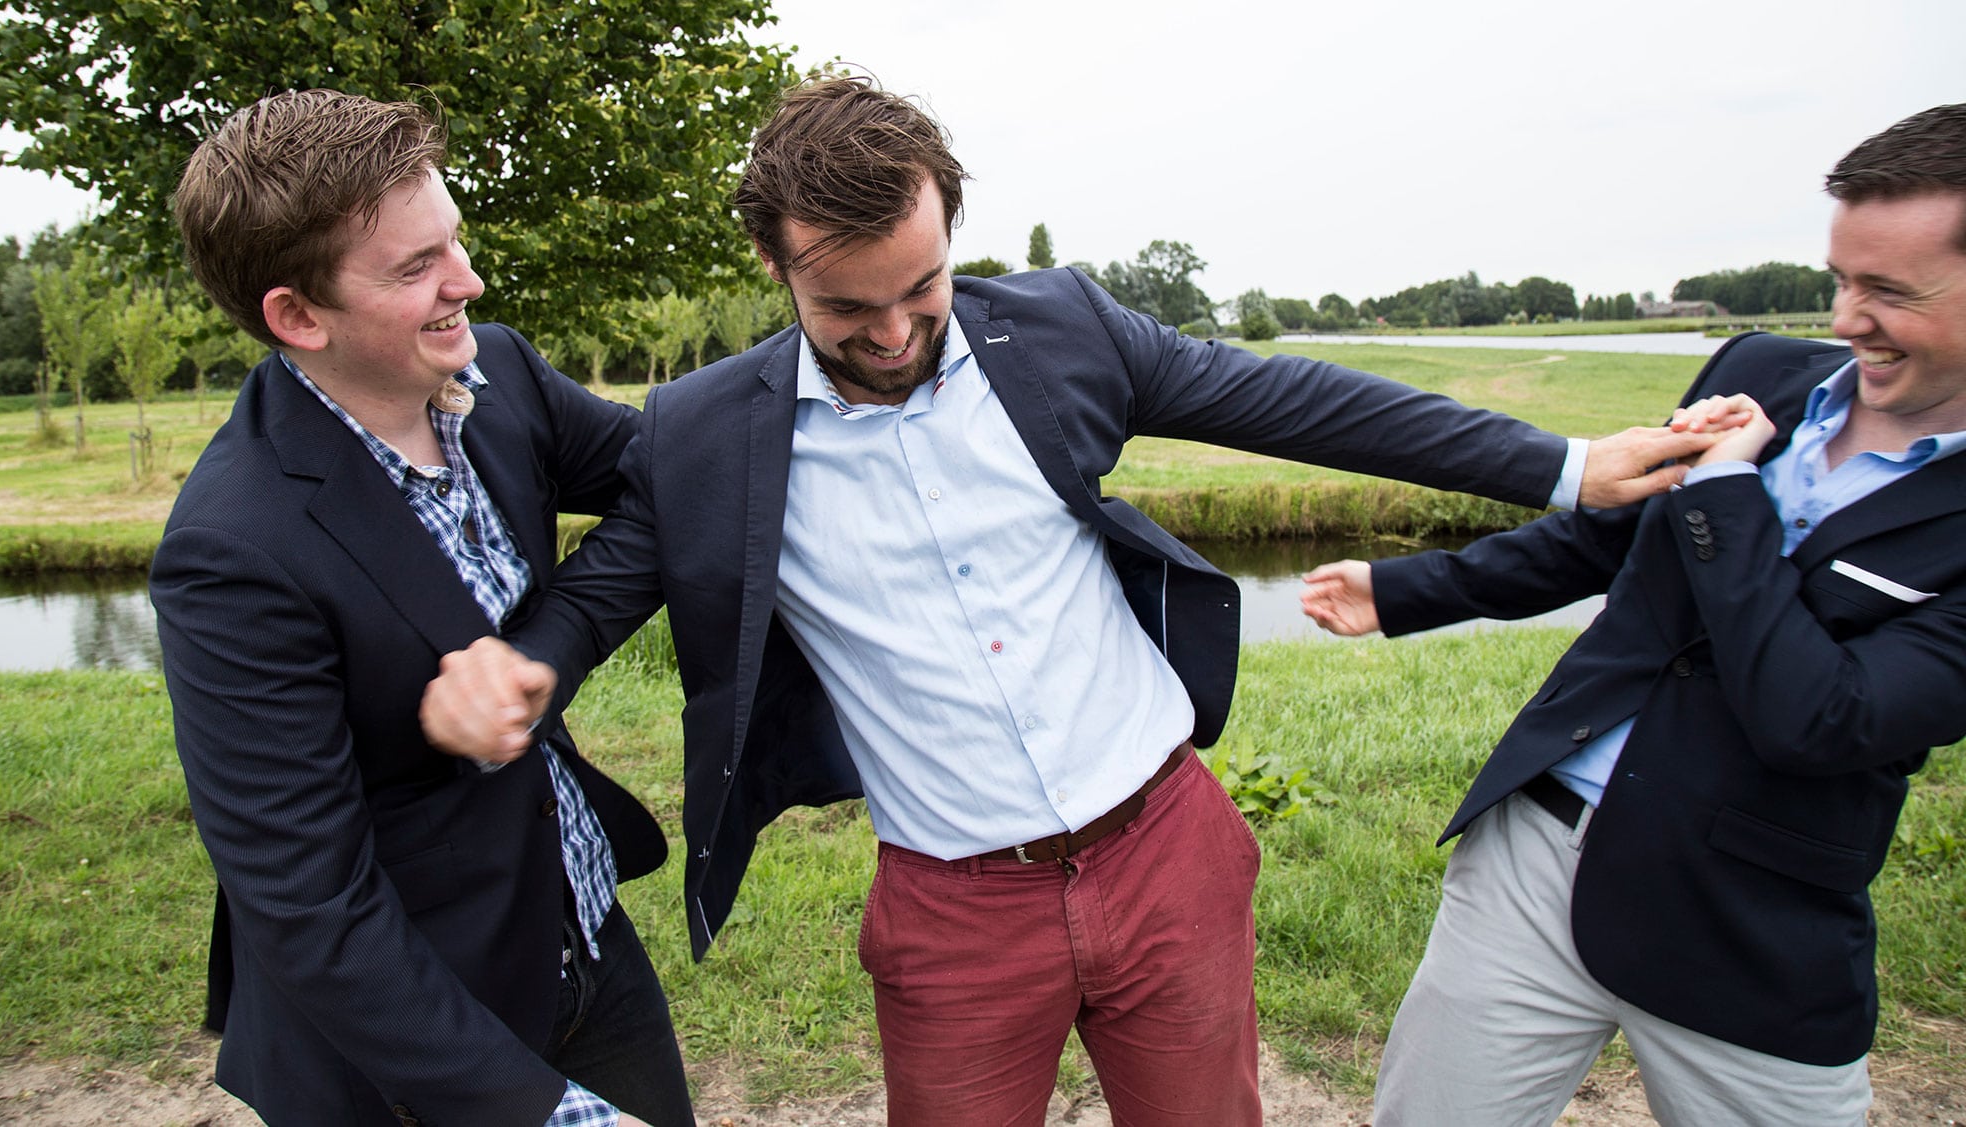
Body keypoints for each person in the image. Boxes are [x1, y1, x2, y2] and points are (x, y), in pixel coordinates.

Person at [421, 74, 1723, 1126]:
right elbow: (608, 579)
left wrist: (1563, 467)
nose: (892, 335)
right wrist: (527, 660)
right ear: (774, 262)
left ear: (952, 229)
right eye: (846, 308)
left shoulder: (1061, 331)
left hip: (1166, 847)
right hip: (949, 906)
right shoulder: (708, 431)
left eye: (921, 290)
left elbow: (1298, 401)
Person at [1301, 102, 1966, 1126]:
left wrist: (1725, 490)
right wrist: (1400, 591)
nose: (1841, 318)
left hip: (1750, 918)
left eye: (1886, 290)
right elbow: (1601, 540)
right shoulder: (1755, 371)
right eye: (1838, 276)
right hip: (1534, 855)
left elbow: (1825, 717)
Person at [152, 89, 693, 1127]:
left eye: (452, 240)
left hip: (580, 940)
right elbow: (311, 912)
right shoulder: (230, 551)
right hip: (405, 1054)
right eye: (415, 268)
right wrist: (547, 1114)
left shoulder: (499, 376)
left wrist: (546, 647)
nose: (468, 281)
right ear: (296, 316)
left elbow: (677, 482)